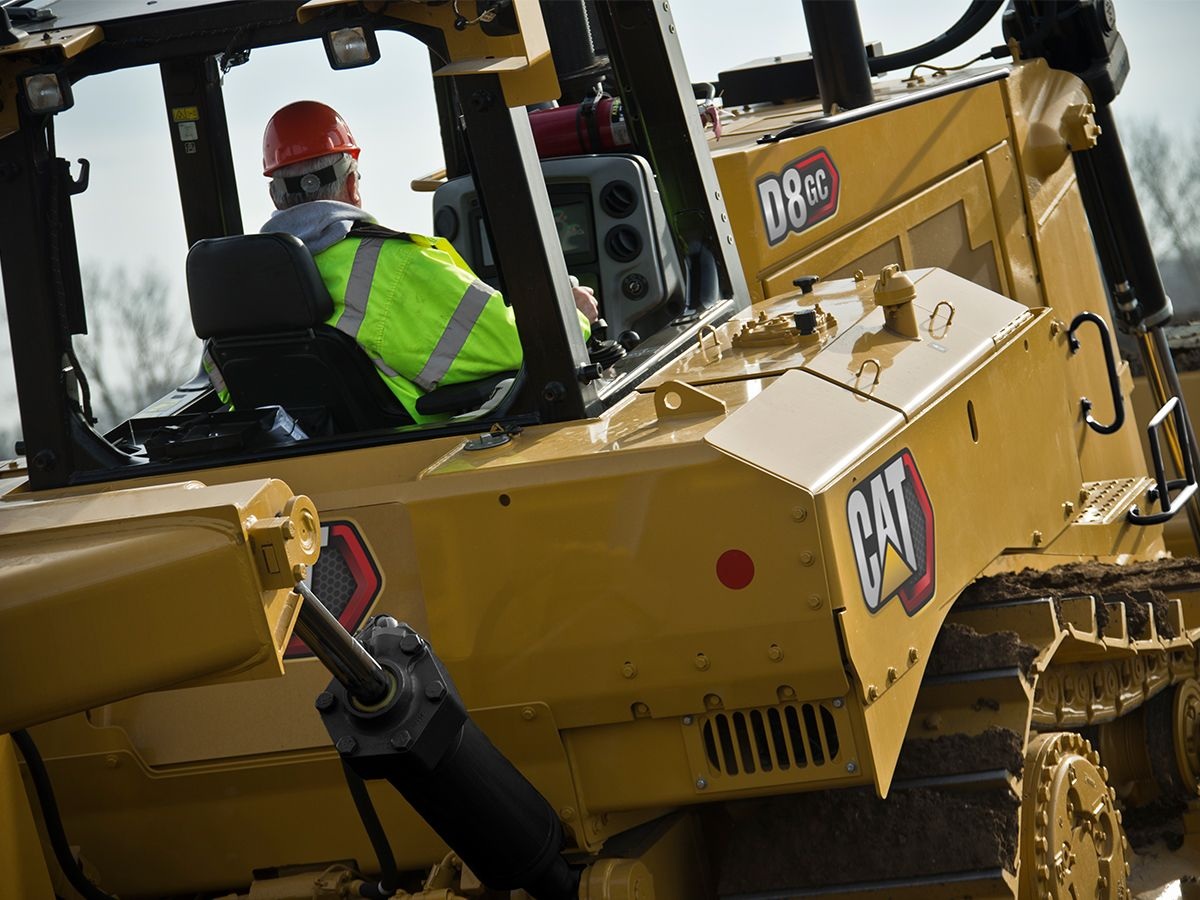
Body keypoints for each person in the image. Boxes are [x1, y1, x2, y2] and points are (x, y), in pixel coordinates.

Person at [258, 100, 598, 423]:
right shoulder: (392, 265)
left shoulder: (247, 286)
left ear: (275, 196)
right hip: (418, 458)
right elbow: (518, 346)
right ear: (351, 184)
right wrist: (574, 316)